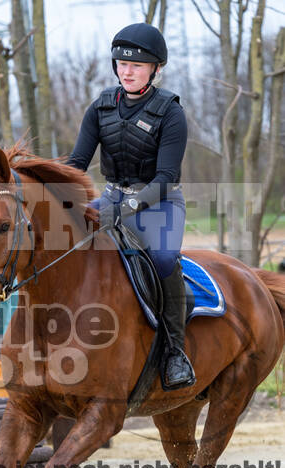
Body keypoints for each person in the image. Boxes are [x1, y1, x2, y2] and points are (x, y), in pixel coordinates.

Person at [67, 22, 195, 390]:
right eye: (121, 63)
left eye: (136, 66)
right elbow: (76, 163)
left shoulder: (170, 112)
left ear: (155, 69)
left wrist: (125, 209)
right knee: (65, 241)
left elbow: (166, 176)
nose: (127, 71)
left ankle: (174, 353)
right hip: (110, 195)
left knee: (164, 258)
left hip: (160, 201)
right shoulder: (101, 106)